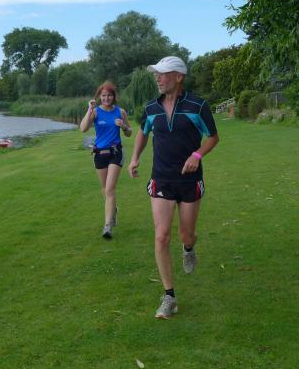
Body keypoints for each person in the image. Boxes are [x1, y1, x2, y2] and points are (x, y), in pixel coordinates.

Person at [128, 56, 219, 319]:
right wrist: (135, 158)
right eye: (156, 74)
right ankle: (169, 296)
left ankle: (188, 249)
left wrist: (197, 155)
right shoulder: (151, 108)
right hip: (162, 179)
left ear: (179, 77)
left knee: (186, 235)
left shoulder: (197, 105)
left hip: (190, 180)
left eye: (163, 73)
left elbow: (213, 137)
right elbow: (143, 131)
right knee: (161, 236)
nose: (158, 78)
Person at [79, 81, 133, 239]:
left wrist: (123, 126)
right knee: (105, 189)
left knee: (109, 189)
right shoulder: (95, 112)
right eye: (103, 95)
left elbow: (129, 132)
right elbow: (83, 128)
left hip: (116, 153)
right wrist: (89, 109)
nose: (106, 98)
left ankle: (108, 226)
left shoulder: (120, 112)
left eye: (109, 95)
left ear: (114, 96)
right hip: (99, 154)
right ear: (99, 97)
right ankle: (113, 209)